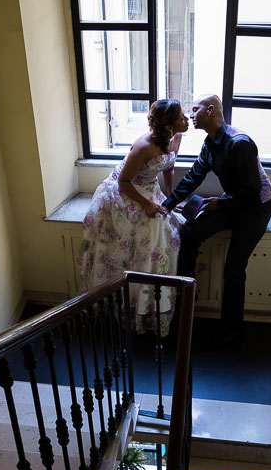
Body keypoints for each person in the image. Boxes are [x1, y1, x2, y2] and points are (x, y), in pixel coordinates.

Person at [162, 93, 271, 346]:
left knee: (234, 269)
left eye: (195, 109)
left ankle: (232, 330)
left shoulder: (240, 144)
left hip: (255, 208)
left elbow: (252, 191)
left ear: (210, 110)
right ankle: (189, 297)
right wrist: (167, 205)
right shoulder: (209, 144)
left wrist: (219, 203)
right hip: (232, 201)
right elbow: (192, 177)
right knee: (188, 233)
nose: (191, 114)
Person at [78, 99, 190, 335]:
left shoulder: (176, 137)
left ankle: (155, 303)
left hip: (151, 189)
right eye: (181, 117)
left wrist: (171, 198)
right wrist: (147, 204)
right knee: (148, 235)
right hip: (127, 193)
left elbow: (168, 167)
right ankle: (133, 305)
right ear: (168, 124)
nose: (187, 119)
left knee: (170, 232)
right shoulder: (144, 146)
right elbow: (123, 181)